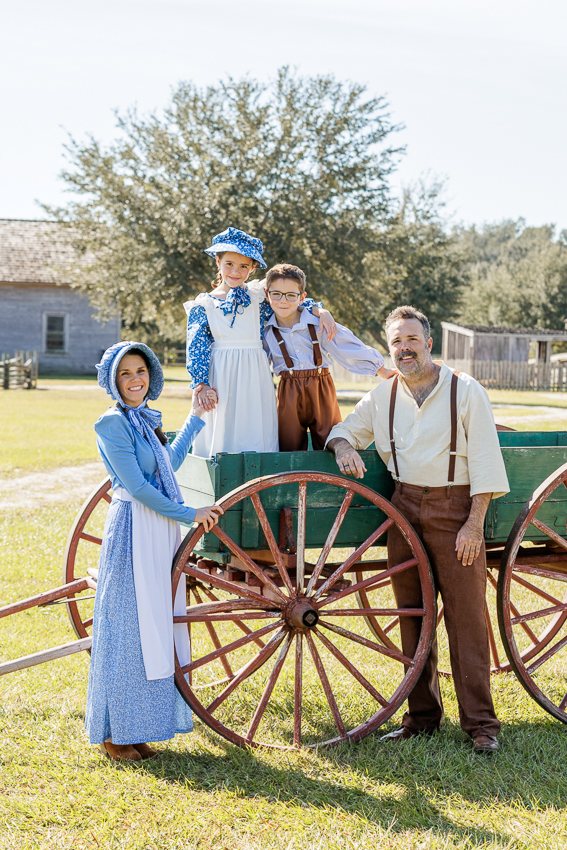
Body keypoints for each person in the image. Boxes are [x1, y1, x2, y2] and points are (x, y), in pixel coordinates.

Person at [326, 305, 509, 754]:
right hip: (404, 509)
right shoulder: (383, 395)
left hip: (455, 509)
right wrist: (344, 446)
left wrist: (472, 525)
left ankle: (481, 725)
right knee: (413, 615)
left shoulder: (465, 391)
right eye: (396, 343)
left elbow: (486, 460)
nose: (404, 349)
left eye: (411, 340)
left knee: (467, 619)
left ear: (429, 343)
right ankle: (421, 717)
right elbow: (341, 430)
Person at [86, 341, 222, 762]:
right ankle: (114, 734)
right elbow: (141, 488)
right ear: (113, 380)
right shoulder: (112, 424)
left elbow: (168, 463)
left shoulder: (145, 419)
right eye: (125, 373)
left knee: (156, 626)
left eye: (141, 371)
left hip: (159, 528)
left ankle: (140, 726)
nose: (135, 380)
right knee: (130, 626)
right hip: (134, 528)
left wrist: (196, 417)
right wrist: (189, 512)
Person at [184, 227, 337, 457]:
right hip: (221, 374)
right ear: (218, 261)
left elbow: (289, 299)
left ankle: (260, 475)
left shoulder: (258, 298)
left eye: (243, 266)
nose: (235, 271)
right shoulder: (204, 305)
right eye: (229, 264)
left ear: (253, 267)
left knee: (255, 423)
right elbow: (197, 348)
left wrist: (319, 310)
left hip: (255, 374)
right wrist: (202, 384)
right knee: (224, 422)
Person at [262, 263, 396, 451]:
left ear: (302, 298)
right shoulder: (266, 331)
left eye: (291, 295)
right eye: (276, 294)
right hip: (288, 391)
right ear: (267, 295)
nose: (283, 300)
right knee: (288, 445)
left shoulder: (318, 323)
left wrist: (381, 370)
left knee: (331, 440)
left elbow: (347, 345)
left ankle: (330, 478)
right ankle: (293, 479)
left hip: (321, 386)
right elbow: (257, 364)